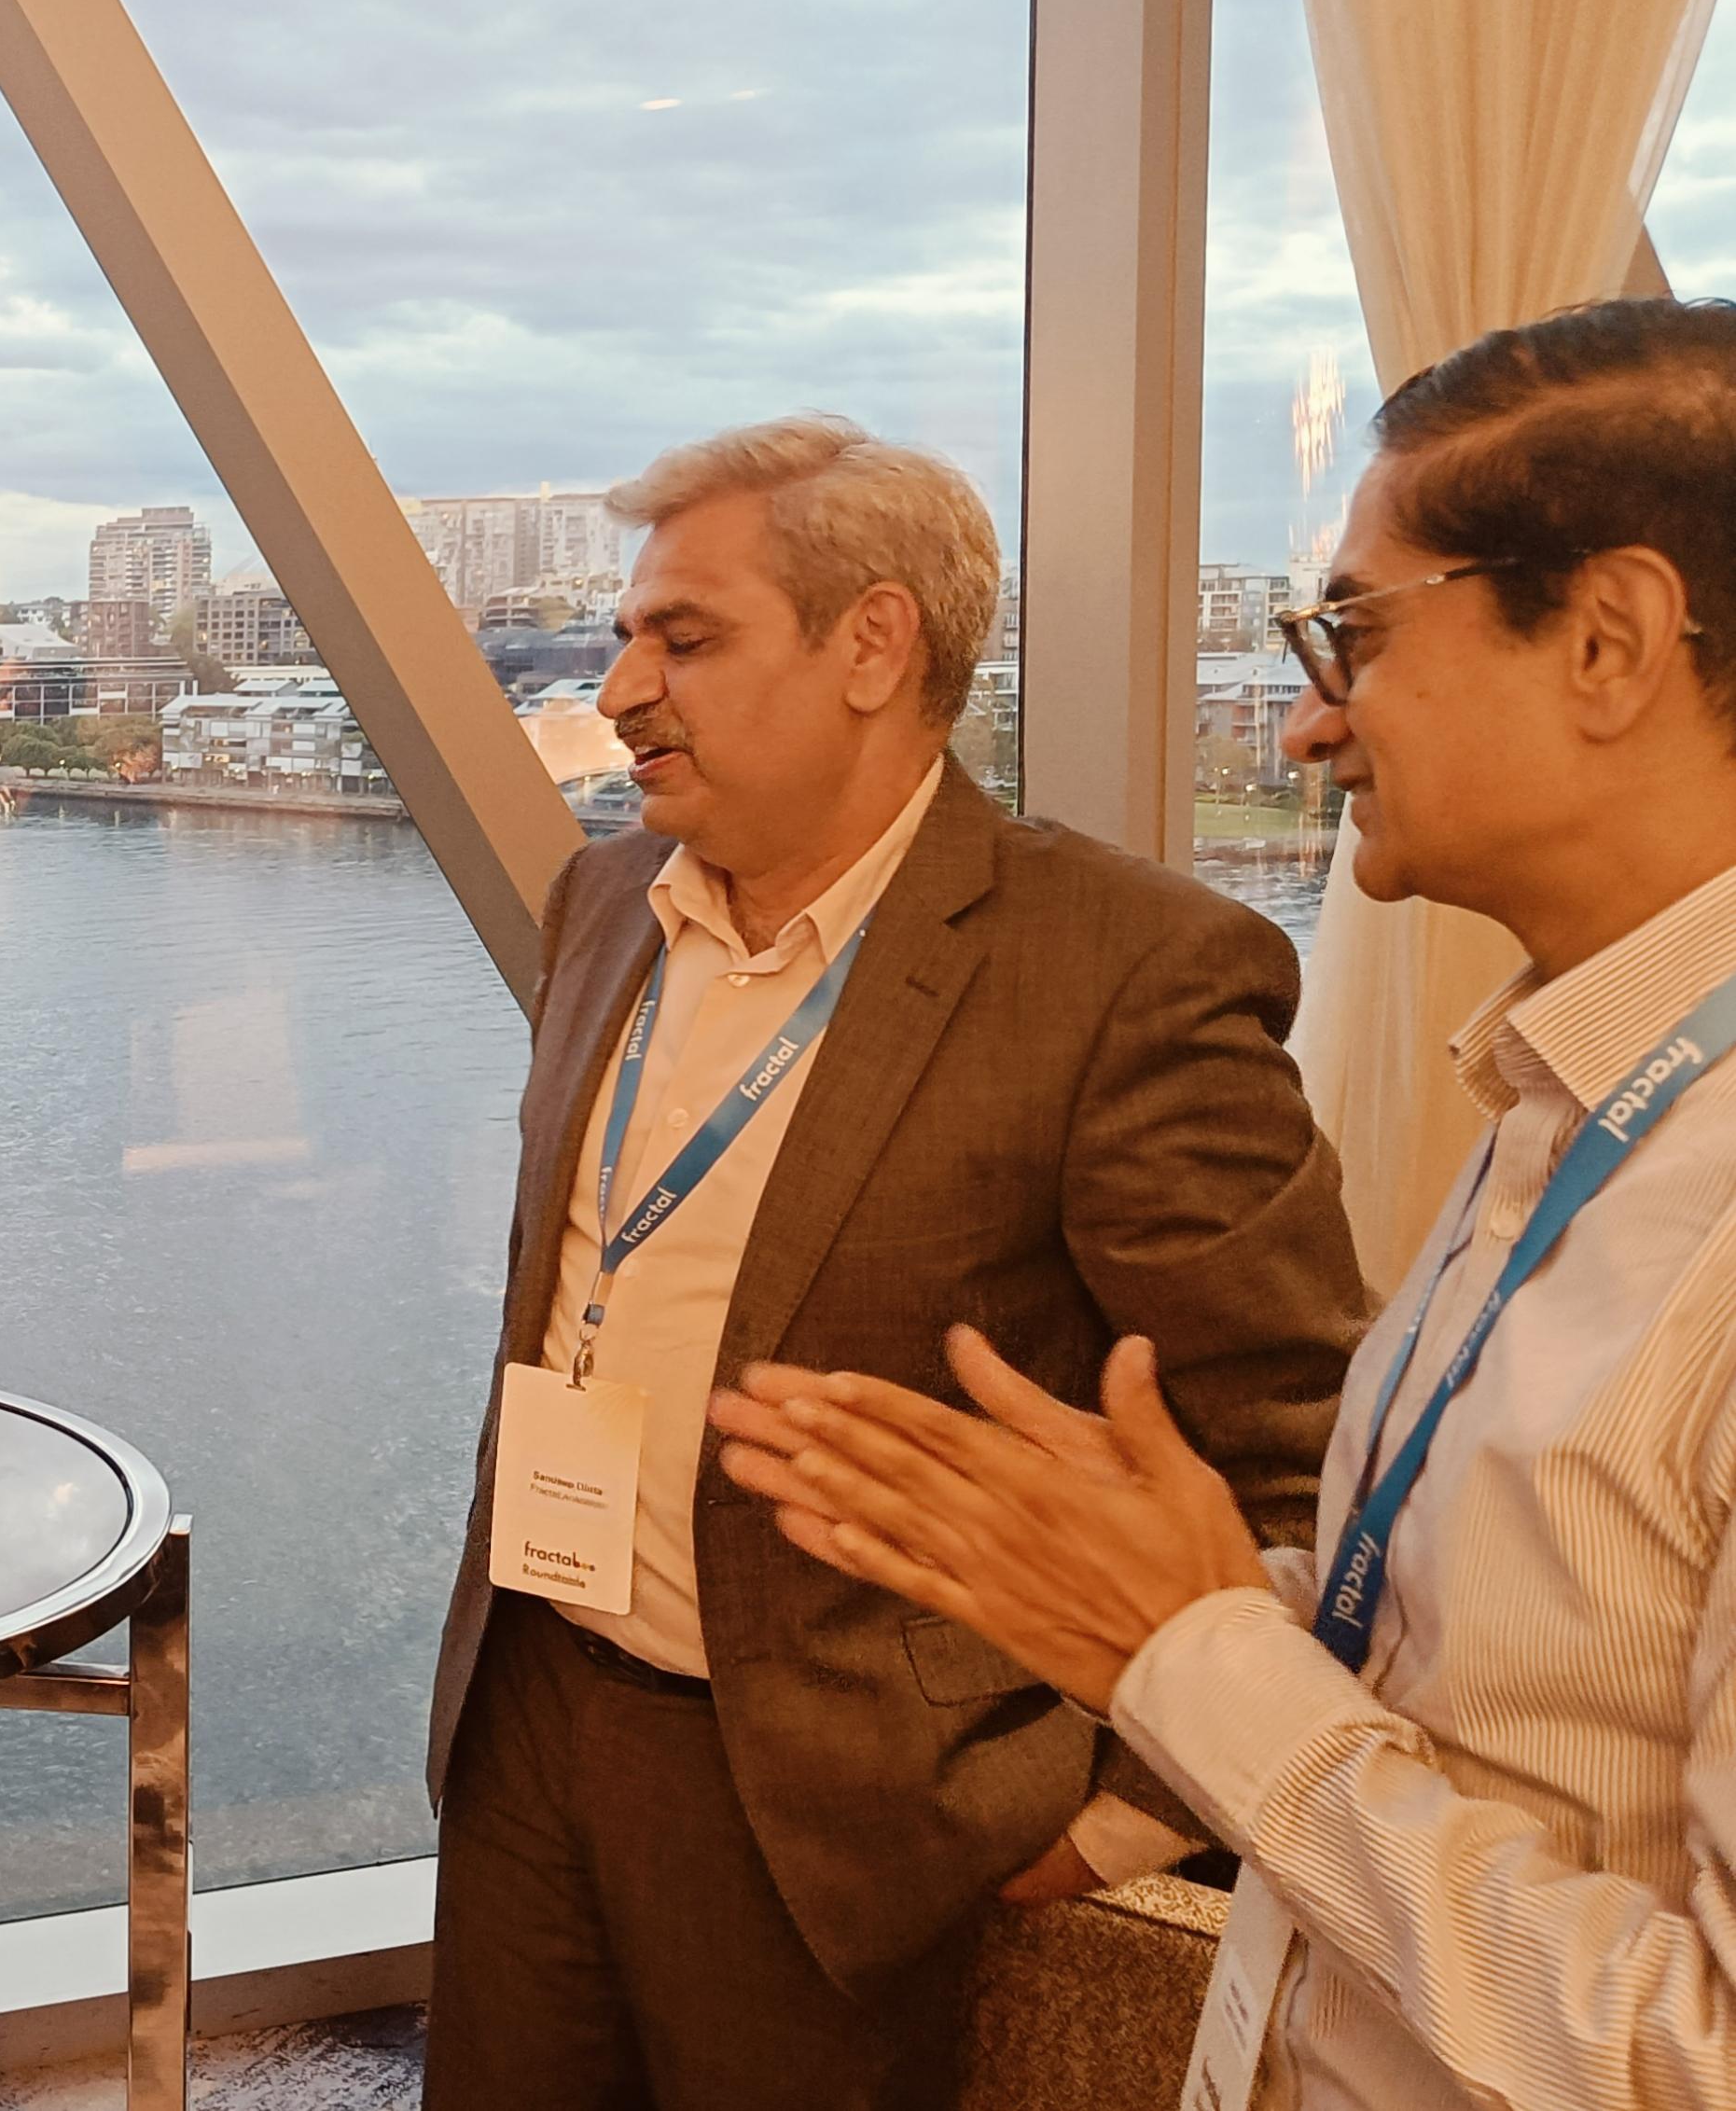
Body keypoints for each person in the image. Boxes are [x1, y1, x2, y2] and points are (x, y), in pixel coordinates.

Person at [714, 299, 1736, 2108]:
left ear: (1609, 642)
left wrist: (1196, 1664)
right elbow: (1473, 1677)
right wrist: (1140, 1594)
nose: (1312, 725)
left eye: (1354, 633)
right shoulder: (1568, 1095)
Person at [421, 416, 1366, 2110]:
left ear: (872, 645)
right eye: (628, 636)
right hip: (533, 1717)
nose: (621, 690)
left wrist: (1135, 1808)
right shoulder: (604, 903)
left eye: (684, 639)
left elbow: (1303, 1450)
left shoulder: (1123, 971)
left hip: (844, 1810)